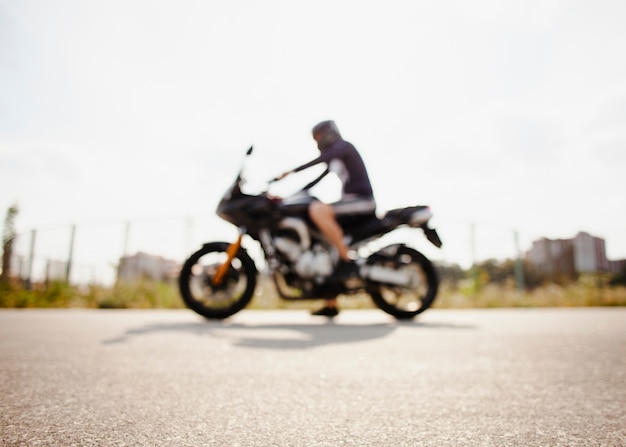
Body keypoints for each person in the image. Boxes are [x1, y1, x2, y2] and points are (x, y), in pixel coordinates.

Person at [277, 120, 376, 316]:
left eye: (319, 137)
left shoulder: (343, 147)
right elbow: (316, 180)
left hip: (362, 201)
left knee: (318, 210)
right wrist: (288, 198)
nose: (318, 142)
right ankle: (330, 303)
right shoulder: (334, 157)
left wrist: (291, 172)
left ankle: (347, 261)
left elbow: (323, 159)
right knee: (324, 241)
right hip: (350, 202)